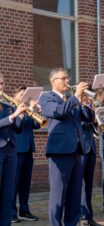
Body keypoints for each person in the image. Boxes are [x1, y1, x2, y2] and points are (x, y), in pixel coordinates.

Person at [39, 68, 93, 226]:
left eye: (68, 78)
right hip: (60, 151)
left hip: (77, 150)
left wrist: (88, 104)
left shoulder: (72, 99)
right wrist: (76, 96)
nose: (67, 81)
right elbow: (58, 112)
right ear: (53, 81)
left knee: (75, 194)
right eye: (64, 78)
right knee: (58, 193)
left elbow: (88, 119)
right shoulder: (46, 98)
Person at [0, 73, 26, 225]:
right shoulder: (10, 109)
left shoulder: (7, 105)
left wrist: (21, 115)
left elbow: (17, 128)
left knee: (7, 193)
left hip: (10, 150)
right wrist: (13, 115)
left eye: (2, 83)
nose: (1, 86)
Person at [11, 86, 40, 223]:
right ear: (15, 95)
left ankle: (24, 210)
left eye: (25, 94)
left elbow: (36, 125)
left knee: (25, 183)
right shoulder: (11, 108)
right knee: (13, 183)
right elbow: (17, 125)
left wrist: (36, 111)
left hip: (28, 149)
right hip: (16, 149)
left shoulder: (27, 109)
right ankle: (11, 212)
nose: (23, 96)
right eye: (21, 94)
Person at [80, 95, 101, 226]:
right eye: (86, 97)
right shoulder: (76, 107)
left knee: (88, 185)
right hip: (81, 148)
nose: (89, 100)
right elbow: (79, 123)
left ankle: (88, 216)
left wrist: (96, 118)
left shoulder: (89, 109)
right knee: (79, 184)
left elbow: (96, 128)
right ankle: (82, 216)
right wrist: (90, 116)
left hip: (91, 147)